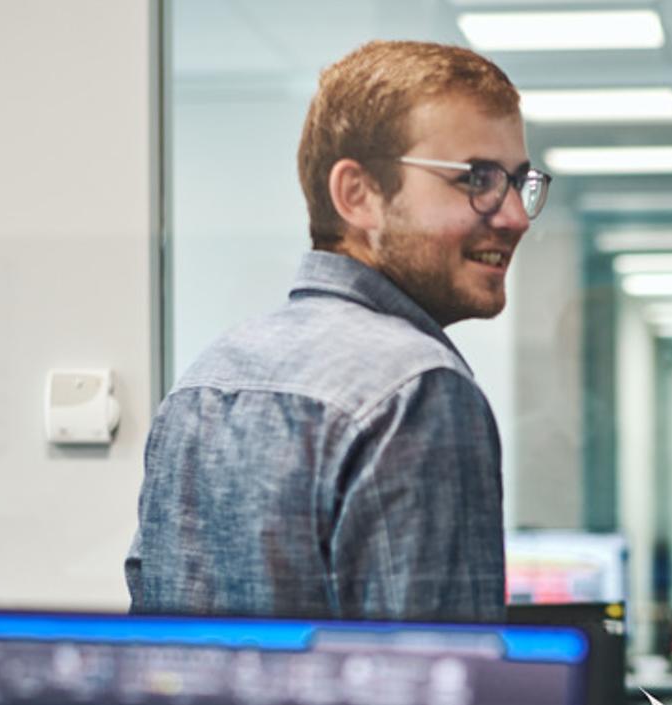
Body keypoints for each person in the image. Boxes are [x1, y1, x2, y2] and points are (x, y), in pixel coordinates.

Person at [126, 40, 551, 621]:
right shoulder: (420, 391)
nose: (515, 216)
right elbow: (444, 691)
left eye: (519, 181)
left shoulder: (203, 380)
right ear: (358, 194)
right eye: (477, 178)